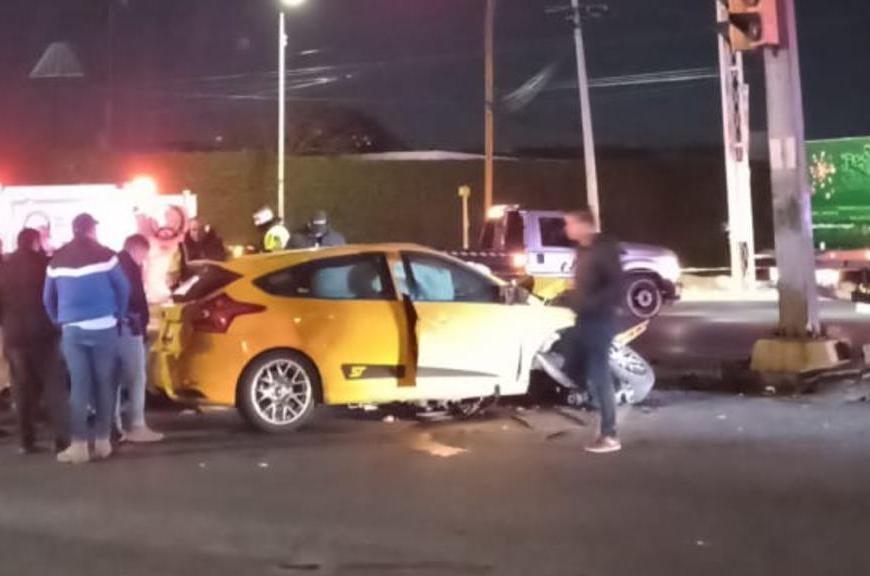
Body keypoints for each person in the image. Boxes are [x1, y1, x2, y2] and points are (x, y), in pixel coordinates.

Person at [44, 214, 130, 464]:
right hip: (104, 326)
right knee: (105, 384)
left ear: (73, 230)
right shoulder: (107, 256)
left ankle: (79, 446)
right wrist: (119, 314)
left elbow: (47, 297)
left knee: (79, 386)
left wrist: (58, 319)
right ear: (91, 230)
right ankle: (103, 442)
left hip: (73, 328)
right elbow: (124, 288)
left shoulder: (57, 260)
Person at [562, 208, 625, 454]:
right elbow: (583, 285)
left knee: (598, 372)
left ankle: (610, 435)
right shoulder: (582, 250)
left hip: (600, 319)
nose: (567, 229)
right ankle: (607, 391)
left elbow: (616, 287)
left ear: (585, 225)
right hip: (583, 318)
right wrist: (569, 297)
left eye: (570, 223)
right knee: (571, 364)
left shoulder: (604, 249)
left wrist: (589, 303)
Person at [0, 230, 69, 453]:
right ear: (35, 242)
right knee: (53, 386)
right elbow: (58, 296)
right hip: (45, 334)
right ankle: (61, 438)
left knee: (21, 388)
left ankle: (26, 441)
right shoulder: (46, 265)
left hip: (14, 335)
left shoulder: (4, 267)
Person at [115, 234, 164, 443]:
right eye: (144, 254)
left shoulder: (112, 263)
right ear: (137, 249)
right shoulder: (130, 266)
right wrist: (142, 323)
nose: (144, 259)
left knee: (114, 379)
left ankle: (115, 427)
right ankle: (137, 425)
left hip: (113, 327)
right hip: (129, 326)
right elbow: (136, 296)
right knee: (137, 377)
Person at [175, 217, 226, 281]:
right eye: (194, 230)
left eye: (201, 230)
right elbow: (187, 264)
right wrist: (206, 262)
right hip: (189, 280)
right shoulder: (182, 245)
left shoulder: (216, 242)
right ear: (189, 230)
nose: (197, 233)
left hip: (214, 278)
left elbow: (222, 263)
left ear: (205, 230)